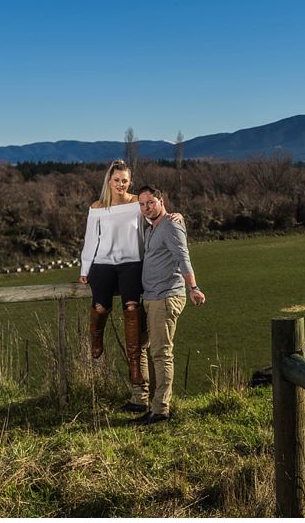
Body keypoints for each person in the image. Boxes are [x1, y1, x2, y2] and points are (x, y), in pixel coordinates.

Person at [78, 160, 182, 409]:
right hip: (103, 263)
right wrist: (84, 268)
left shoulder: (137, 203)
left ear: (129, 181)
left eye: (125, 180)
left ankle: (135, 370)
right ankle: (96, 339)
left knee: (132, 310)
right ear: (109, 181)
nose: (121, 184)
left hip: (133, 262)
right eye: (116, 180)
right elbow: (91, 239)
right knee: (101, 307)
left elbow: (154, 214)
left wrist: (175, 216)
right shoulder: (97, 207)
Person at [132, 185, 206, 425]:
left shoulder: (170, 225)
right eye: (142, 204)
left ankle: (161, 409)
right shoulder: (151, 227)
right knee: (140, 346)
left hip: (165, 297)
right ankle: (143, 399)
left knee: (161, 353)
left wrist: (193, 287)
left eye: (150, 203)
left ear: (161, 201)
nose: (146, 208)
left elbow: (183, 257)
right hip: (151, 297)